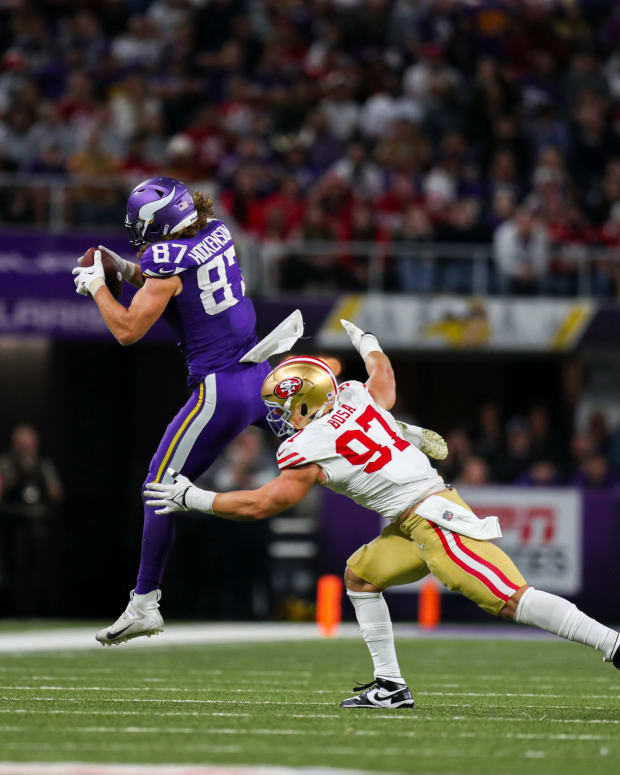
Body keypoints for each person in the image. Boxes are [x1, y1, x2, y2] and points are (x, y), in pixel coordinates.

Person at [144, 320, 620, 709]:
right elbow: (383, 378)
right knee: (360, 576)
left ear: (304, 402)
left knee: (512, 598)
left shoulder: (306, 443)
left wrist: (195, 498)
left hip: (432, 518)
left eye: (283, 406)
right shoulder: (353, 396)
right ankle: (390, 686)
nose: (279, 415)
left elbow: (265, 503)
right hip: (411, 521)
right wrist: (368, 340)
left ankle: (612, 644)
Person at [72, 176, 302, 645]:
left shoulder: (165, 258)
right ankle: (395, 436)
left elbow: (128, 330)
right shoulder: (214, 229)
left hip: (220, 388)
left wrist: (99, 286)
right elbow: (173, 278)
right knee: (330, 436)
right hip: (257, 373)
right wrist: (122, 267)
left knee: (158, 486)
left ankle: (144, 604)